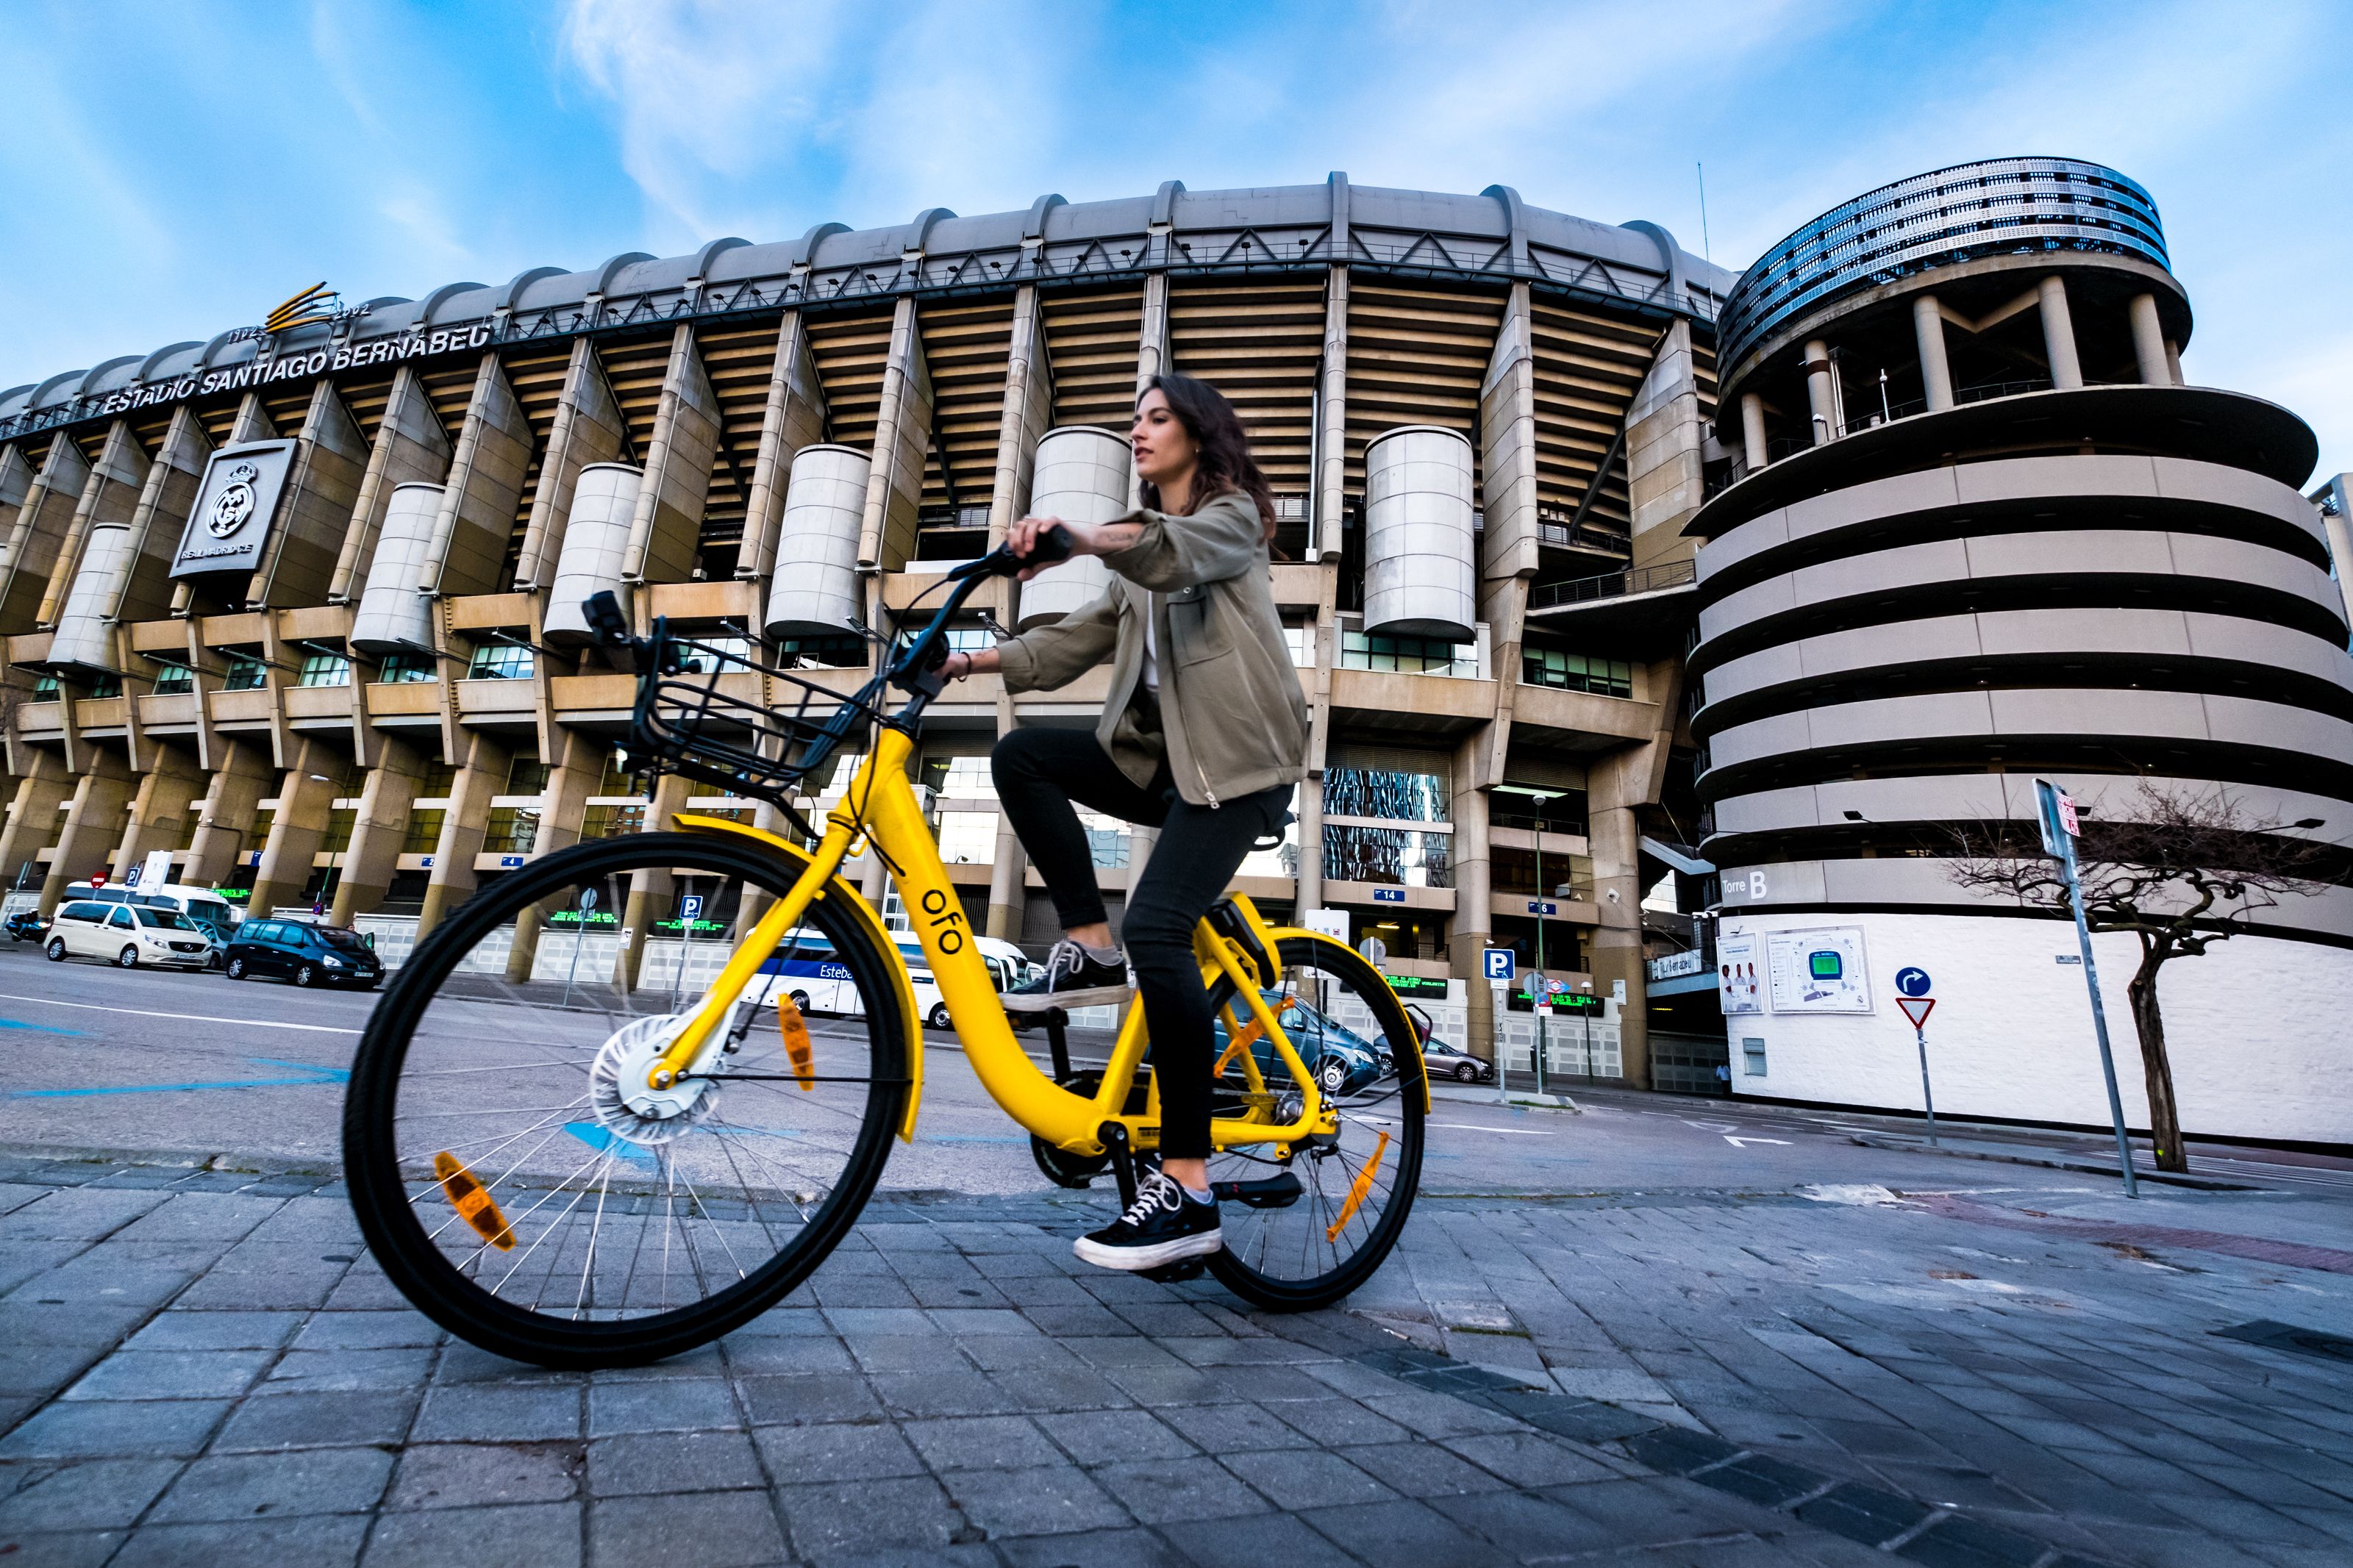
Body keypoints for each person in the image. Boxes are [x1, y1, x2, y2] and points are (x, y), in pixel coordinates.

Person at [935, 373, 1307, 1270]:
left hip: (1241, 774)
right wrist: (963, 658)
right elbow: (1068, 642)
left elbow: (1168, 552)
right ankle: (1089, 946)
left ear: (1197, 433)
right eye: (1134, 420)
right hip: (1170, 772)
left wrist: (1076, 538)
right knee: (1022, 756)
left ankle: (1187, 1186)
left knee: (1162, 926)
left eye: (1156, 418)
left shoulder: (1232, 522)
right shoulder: (1136, 569)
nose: (1138, 432)